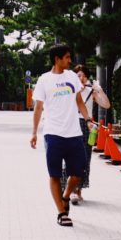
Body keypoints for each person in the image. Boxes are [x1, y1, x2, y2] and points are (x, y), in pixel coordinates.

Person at [30, 44, 93, 227]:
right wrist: (34, 132)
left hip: (74, 133)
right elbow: (38, 108)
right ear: (56, 59)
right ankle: (61, 213)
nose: (70, 60)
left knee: (78, 172)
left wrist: (88, 119)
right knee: (55, 175)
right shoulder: (44, 80)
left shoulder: (72, 77)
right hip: (53, 134)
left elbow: (79, 101)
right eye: (66, 57)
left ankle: (66, 196)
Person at [62, 64, 110, 205]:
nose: (81, 78)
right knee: (69, 158)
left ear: (87, 77)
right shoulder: (69, 90)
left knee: (84, 158)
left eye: (83, 76)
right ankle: (68, 190)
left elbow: (106, 105)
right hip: (70, 123)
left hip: (85, 125)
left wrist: (99, 90)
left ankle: (78, 191)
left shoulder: (91, 91)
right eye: (78, 76)